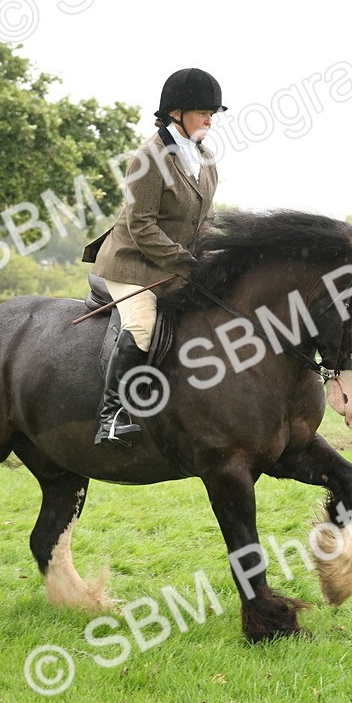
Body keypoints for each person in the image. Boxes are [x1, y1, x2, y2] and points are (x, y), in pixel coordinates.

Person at [85, 67, 225, 445]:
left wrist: (209, 255)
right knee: (143, 323)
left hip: (175, 261)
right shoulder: (148, 158)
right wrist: (185, 261)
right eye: (203, 111)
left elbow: (204, 219)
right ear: (176, 113)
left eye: (214, 112)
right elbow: (141, 225)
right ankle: (111, 416)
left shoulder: (206, 158)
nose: (210, 119)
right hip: (130, 262)